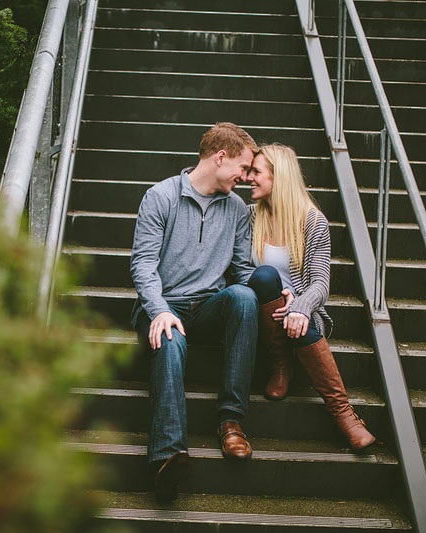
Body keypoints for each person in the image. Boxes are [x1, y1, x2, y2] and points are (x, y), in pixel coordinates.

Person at [130, 122, 259, 501]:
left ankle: (231, 421)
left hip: (206, 308)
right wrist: (158, 310)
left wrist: (282, 290)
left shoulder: (236, 208)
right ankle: (169, 455)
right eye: (244, 167)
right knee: (169, 337)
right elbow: (142, 266)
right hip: (162, 306)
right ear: (221, 157)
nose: (246, 177)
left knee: (244, 297)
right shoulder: (161, 196)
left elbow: (242, 270)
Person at [245, 143, 375, 451]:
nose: (248, 177)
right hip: (260, 307)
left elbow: (320, 284)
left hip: (298, 317)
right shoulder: (249, 216)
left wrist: (299, 306)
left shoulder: (313, 221)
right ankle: (280, 365)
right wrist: (279, 295)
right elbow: (237, 269)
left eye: (256, 172)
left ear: (280, 177)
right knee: (264, 277)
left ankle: (343, 412)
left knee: (298, 314)